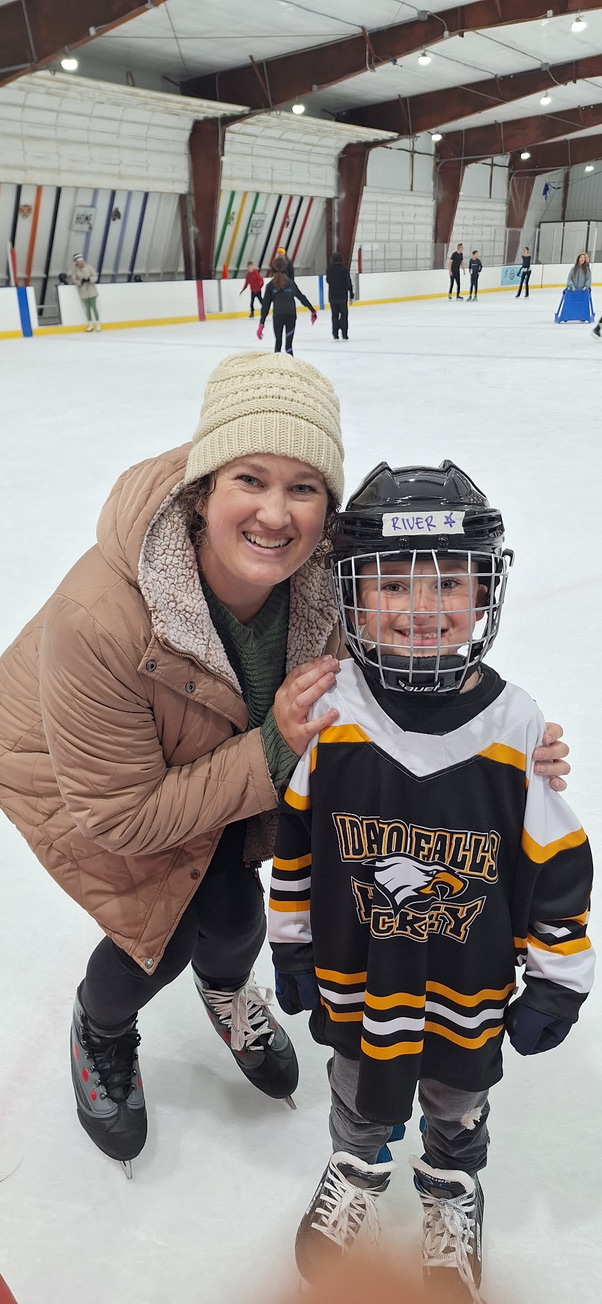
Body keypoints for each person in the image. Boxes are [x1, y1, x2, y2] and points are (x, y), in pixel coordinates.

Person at [0, 351, 346, 1170]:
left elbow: (405, 654)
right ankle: (102, 1028)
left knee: (234, 915)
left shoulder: (323, 579)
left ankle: (228, 994)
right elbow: (122, 816)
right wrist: (276, 745)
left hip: (209, 757)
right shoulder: (102, 618)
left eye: (303, 486)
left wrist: (504, 745)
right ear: (202, 491)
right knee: (159, 932)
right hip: (80, 774)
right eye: (250, 479)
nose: (275, 513)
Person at [268, 461, 591, 1299]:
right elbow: (297, 844)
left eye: (448, 580)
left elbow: (556, 858)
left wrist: (557, 978)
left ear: (485, 591)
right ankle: (360, 1163)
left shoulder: (514, 721)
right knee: (358, 1089)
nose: (419, 608)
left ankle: (452, 1184)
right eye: (390, 582)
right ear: (351, 592)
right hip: (360, 978)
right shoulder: (332, 710)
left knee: (457, 1097)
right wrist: (292, 945)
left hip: (467, 982)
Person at [258, 255, 317, 355]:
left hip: (278, 316)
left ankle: (277, 366)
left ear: (273, 268)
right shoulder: (290, 283)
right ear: (285, 267)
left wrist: (261, 324)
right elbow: (301, 297)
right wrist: (312, 310)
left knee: (278, 343)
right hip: (291, 315)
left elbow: (265, 306)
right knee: (289, 346)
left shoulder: (270, 285)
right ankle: (290, 368)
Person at [326, 251, 354, 340]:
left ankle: (335, 333)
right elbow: (348, 283)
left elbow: (328, 280)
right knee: (344, 315)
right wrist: (351, 294)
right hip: (342, 297)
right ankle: (344, 333)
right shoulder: (344, 270)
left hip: (332, 296)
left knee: (334, 315)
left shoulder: (329, 270)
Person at [71, 253, 101, 331]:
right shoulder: (75, 270)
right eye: (78, 262)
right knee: (87, 308)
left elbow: (95, 276)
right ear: (76, 262)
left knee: (94, 307)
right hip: (83, 291)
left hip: (92, 290)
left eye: (81, 261)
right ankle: (90, 324)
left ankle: (98, 324)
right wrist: (80, 282)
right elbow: (74, 279)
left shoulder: (89, 267)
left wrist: (89, 279)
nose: (80, 263)